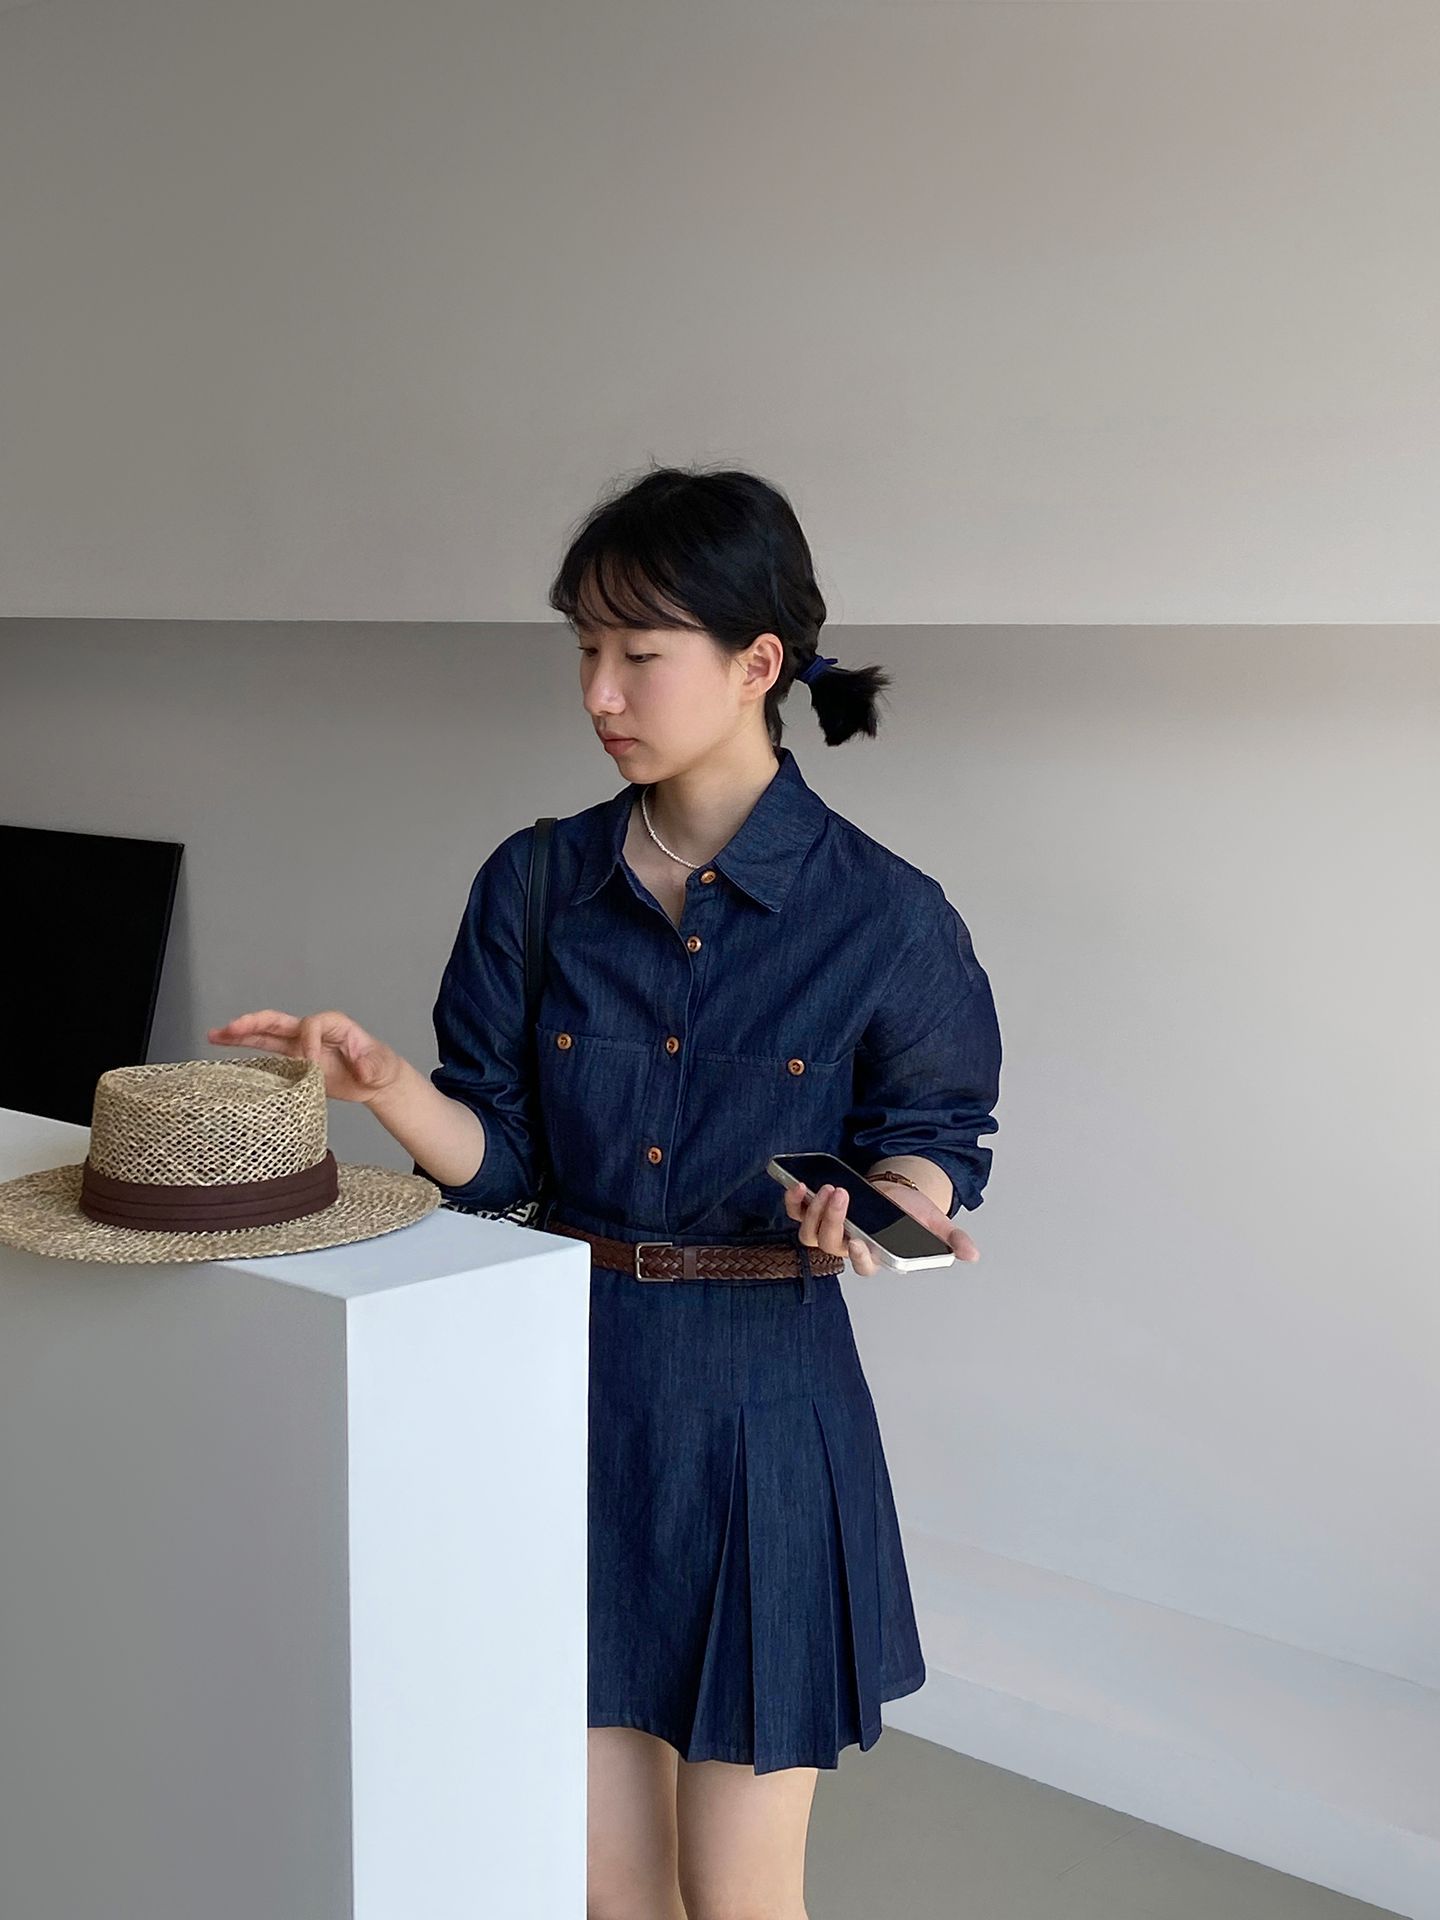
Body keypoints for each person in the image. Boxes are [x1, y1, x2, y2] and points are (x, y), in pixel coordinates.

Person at [209, 462, 1002, 1920]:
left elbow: (937, 1135)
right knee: (601, 1893)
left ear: (757, 663)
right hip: (558, 1393)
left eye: (640, 652)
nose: (600, 691)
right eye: (584, 648)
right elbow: (502, 1166)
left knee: (742, 1899)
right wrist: (388, 1085)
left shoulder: (886, 916)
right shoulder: (534, 884)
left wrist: (887, 1198)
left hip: (765, 1418)